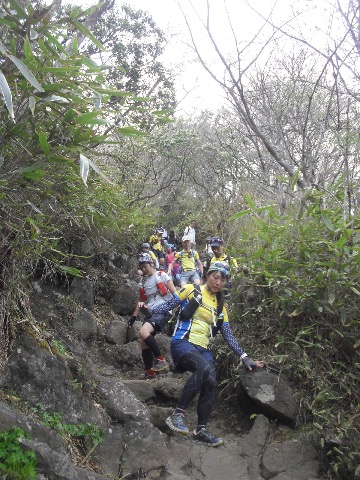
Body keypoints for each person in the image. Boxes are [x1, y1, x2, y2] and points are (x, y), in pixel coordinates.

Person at [147, 261, 264, 446]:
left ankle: (200, 430)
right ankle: (177, 415)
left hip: (203, 348)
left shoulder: (221, 307)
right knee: (203, 368)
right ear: (207, 275)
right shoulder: (191, 290)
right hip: (182, 342)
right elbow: (168, 305)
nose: (218, 282)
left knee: (210, 378)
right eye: (215, 277)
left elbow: (228, 335)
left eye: (222, 280)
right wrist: (148, 310)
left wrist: (244, 357)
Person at [127, 253, 177, 379]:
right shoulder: (142, 282)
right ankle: (150, 372)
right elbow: (141, 302)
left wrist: (182, 310)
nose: (144, 269)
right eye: (141, 267)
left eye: (146, 266)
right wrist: (133, 318)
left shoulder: (161, 276)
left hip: (164, 311)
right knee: (144, 342)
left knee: (143, 332)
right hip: (152, 313)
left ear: (151, 264)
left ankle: (161, 360)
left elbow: (175, 294)